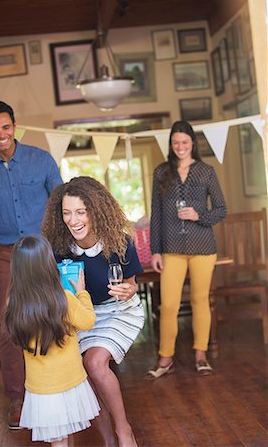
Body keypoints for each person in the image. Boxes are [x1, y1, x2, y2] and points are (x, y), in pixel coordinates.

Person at [0, 101, 62, 428]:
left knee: (53, 319)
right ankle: (18, 399)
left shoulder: (42, 160)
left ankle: (58, 392)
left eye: (5, 127)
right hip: (5, 255)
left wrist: (63, 257)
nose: (1, 134)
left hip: (44, 251)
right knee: (9, 330)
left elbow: (63, 210)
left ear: (14, 126)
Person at [42, 176, 145, 447]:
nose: (73, 220)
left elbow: (132, 284)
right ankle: (108, 440)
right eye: (66, 213)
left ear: (95, 211)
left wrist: (128, 289)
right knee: (84, 374)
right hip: (82, 314)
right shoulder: (58, 247)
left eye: (80, 212)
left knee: (95, 363)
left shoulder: (119, 242)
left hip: (119, 310)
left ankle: (124, 430)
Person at [146, 120, 227, 380]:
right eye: (176, 142)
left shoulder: (206, 171)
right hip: (171, 248)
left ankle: (200, 355)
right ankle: (165, 358)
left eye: (185, 142)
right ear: (171, 144)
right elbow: (156, 215)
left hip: (203, 246)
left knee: (200, 300)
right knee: (168, 305)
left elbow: (221, 209)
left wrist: (198, 214)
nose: (180, 147)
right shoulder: (161, 172)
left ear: (193, 143)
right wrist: (155, 251)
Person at [5, 234, 100, 447]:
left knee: (61, 438)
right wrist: (82, 293)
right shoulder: (63, 298)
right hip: (69, 382)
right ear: (49, 265)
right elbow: (88, 321)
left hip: (41, 389)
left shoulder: (13, 303)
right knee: (63, 438)